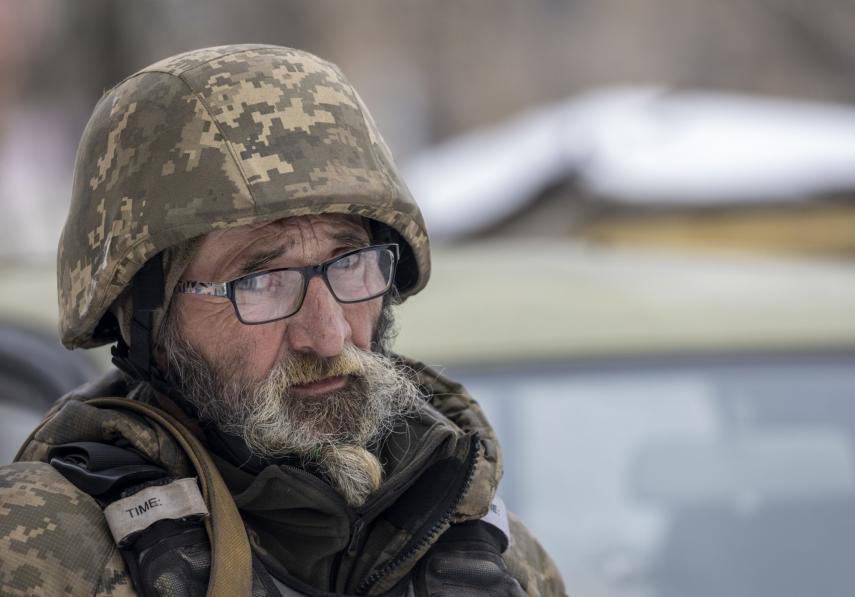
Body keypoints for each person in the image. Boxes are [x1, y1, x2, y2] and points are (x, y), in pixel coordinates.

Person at [0, 44, 565, 597]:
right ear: (148, 319)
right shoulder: (42, 549)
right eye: (262, 281)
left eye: (351, 265)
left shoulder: (498, 557)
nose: (328, 334)